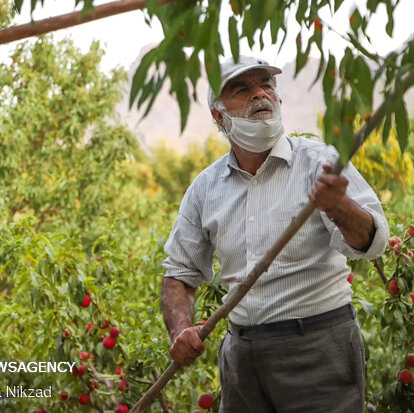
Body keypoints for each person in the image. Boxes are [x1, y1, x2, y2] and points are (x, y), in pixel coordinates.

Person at [161, 55, 389, 413]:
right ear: (218, 116)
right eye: (242, 88)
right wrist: (180, 330)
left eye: (266, 84)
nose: (260, 94)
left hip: (319, 346)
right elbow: (179, 274)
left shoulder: (319, 162)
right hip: (242, 356)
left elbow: (373, 243)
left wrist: (339, 206)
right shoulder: (205, 188)